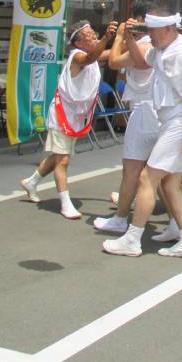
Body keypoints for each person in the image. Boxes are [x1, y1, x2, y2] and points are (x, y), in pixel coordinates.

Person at [102, 8, 182, 258]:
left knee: (147, 179)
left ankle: (133, 238)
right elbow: (140, 60)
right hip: (174, 122)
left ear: (170, 28)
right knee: (170, 183)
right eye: (148, 31)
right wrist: (128, 36)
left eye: (154, 31)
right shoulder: (163, 49)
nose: (151, 35)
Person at [19, 19, 116, 219]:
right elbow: (90, 58)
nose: (94, 37)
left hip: (75, 116)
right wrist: (107, 38)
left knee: (58, 156)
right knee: (63, 159)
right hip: (62, 114)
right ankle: (65, 203)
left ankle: (32, 181)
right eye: (89, 36)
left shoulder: (92, 55)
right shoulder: (78, 56)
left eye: (94, 34)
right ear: (78, 43)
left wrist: (126, 38)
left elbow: (110, 55)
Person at [94, 0, 157, 235]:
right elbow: (107, 55)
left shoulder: (145, 44)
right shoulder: (164, 43)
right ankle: (179, 226)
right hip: (160, 111)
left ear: (139, 19)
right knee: (166, 175)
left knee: (132, 168)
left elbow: (114, 61)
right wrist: (105, 42)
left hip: (144, 111)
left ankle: (121, 218)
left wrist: (121, 35)